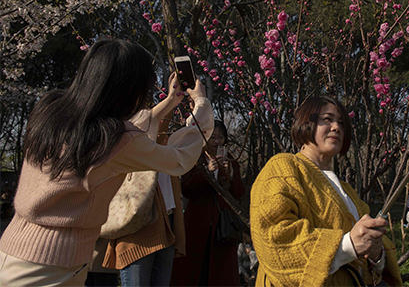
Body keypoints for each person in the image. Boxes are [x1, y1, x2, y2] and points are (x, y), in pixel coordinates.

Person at [0, 39, 214, 286]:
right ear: (129, 89)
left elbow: (126, 134)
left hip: (12, 251)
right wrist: (201, 105)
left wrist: (169, 102)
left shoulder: (51, 109)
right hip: (54, 267)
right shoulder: (116, 140)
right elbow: (179, 159)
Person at [250, 96, 403, 286]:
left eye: (341, 123)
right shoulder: (283, 167)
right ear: (306, 122)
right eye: (327, 119)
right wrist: (348, 245)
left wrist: (377, 252)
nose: (336, 127)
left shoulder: (347, 190)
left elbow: (369, 252)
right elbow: (274, 239)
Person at [102, 113, 188, 286]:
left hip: (166, 224)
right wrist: (171, 99)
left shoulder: (167, 149)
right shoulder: (134, 145)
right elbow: (150, 125)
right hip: (138, 230)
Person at [170, 120, 245, 286]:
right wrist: (206, 173)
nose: (216, 141)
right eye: (212, 137)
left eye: (221, 137)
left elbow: (239, 193)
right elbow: (186, 189)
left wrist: (231, 175)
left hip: (223, 226)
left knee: (220, 274)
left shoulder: (231, 160)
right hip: (198, 222)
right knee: (195, 271)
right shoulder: (196, 159)